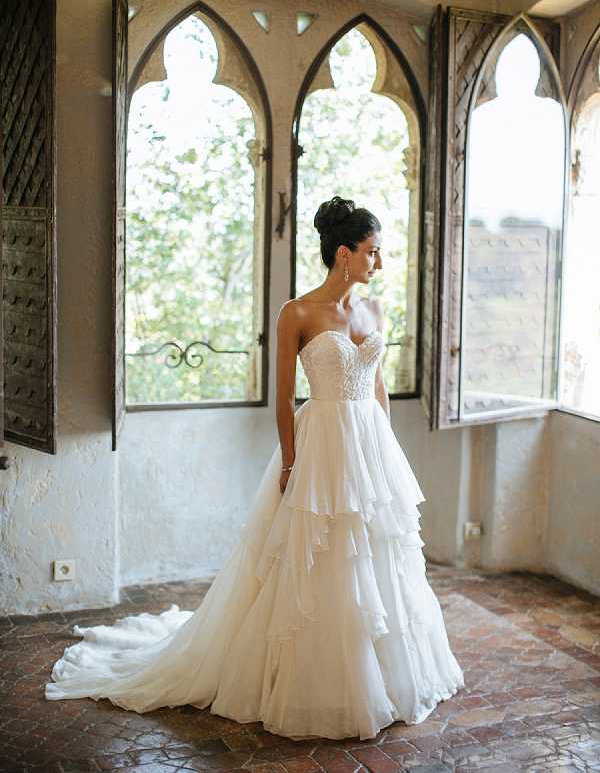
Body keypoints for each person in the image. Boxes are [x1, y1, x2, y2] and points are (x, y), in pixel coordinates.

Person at [46, 195, 464, 741]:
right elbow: (285, 398)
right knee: (318, 552)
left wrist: (386, 451)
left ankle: (387, 675)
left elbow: (378, 386)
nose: (377, 263)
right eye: (372, 252)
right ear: (344, 254)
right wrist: (291, 462)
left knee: (379, 552)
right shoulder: (299, 312)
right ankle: (317, 681)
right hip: (324, 443)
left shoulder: (373, 310)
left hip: (369, 445)